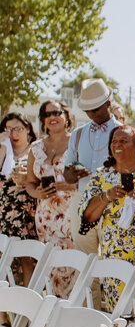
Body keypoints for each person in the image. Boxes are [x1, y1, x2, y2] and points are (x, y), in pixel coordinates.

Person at [79, 126, 135, 311]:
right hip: (114, 258)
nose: (117, 145)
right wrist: (107, 196)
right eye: (114, 141)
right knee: (119, 313)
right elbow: (87, 216)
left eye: (123, 141)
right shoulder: (101, 176)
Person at [62, 77, 121, 255]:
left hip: (112, 201)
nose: (91, 114)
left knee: (110, 256)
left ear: (108, 103)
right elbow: (66, 174)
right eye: (87, 110)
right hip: (81, 199)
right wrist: (72, 174)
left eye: (95, 109)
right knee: (83, 258)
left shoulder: (123, 133)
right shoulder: (77, 134)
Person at [25, 100, 78, 297]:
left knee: (72, 265)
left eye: (57, 112)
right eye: (47, 114)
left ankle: (72, 316)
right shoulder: (36, 147)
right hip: (45, 218)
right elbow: (30, 182)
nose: (52, 117)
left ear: (66, 116)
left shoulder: (76, 142)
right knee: (50, 266)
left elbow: (88, 177)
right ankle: (52, 314)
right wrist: (36, 193)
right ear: (42, 120)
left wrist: (70, 185)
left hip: (70, 214)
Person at [0, 112, 38, 284]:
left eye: (18, 129)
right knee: (3, 261)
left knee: (26, 259)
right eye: (8, 129)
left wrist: (27, 178)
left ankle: (26, 308)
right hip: (3, 212)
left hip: (25, 213)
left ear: (27, 129)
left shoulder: (35, 150)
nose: (13, 134)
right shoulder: (3, 149)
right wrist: (2, 146)